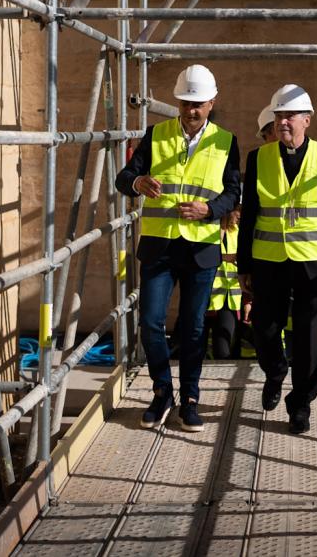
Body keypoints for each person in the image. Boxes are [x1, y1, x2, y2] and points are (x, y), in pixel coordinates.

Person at [116, 64, 241, 432]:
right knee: (151, 322)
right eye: (186, 103)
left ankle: (190, 398)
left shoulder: (225, 141)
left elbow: (233, 191)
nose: (191, 110)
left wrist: (210, 210)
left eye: (198, 103)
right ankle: (161, 392)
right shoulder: (154, 135)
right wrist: (137, 181)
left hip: (200, 248)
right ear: (177, 102)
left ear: (212, 102)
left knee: (193, 327)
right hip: (159, 246)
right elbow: (124, 178)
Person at [240, 83, 317, 434]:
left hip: (314, 264)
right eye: (278, 116)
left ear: (307, 119)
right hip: (268, 260)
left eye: (290, 116)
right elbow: (249, 217)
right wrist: (243, 264)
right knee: (264, 330)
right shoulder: (257, 158)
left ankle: (300, 404)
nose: (283, 122)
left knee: (309, 341)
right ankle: (275, 371)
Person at [206, 206, 250, 359]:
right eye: (239, 210)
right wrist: (226, 257)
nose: (241, 216)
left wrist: (247, 299)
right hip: (206, 296)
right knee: (196, 344)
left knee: (223, 348)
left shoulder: (238, 232)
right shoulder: (209, 229)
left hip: (230, 298)